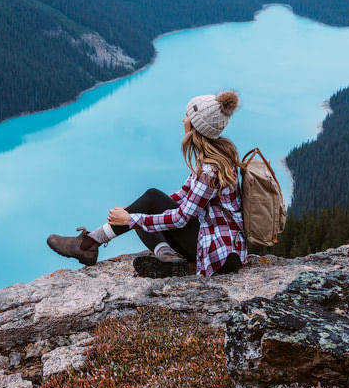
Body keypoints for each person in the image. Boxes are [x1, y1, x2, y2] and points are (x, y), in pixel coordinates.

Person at [46, 90, 248, 278]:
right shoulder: (214, 157)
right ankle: (168, 257)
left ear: (198, 127)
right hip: (221, 243)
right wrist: (137, 209)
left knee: (143, 211)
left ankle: (87, 245)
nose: (183, 119)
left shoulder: (210, 170)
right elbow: (184, 195)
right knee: (145, 209)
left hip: (220, 254)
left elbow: (181, 218)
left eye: (188, 117)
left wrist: (131, 218)